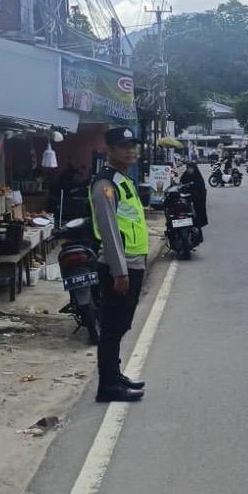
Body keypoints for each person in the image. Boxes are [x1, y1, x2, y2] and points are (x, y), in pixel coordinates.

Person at [89, 127, 150, 403]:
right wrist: (120, 271)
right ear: (110, 150)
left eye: (133, 145)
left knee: (121, 324)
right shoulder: (105, 184)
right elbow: (110, 230)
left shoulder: (123, 180)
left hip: (132, 263)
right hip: (119, 267)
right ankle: (108, 385)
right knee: (113, 328)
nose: (131, 151)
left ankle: (115, 375)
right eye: (124, 146)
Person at [179, 161, 209, 238]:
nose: (189, 170)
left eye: (190, 168)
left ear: (194, 169)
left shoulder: (198, 177)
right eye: (188, 168)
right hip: (186, 197)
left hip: (197, 198)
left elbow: (201, 189)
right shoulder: (185, 175)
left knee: (197, 215)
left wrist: (194, 193)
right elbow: (181, 183)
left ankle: (197, 231)